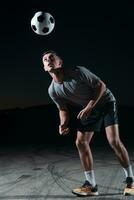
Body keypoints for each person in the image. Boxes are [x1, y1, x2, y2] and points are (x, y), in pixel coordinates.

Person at [42, 50, 134, 196]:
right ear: (45, 68)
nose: (48, 60)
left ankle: (131, 180)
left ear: (60, 63)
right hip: (89, 109)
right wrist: (63, 124)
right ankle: (91, 185)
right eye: (45, 59)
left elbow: (101, 86)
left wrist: (89, 107)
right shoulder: (52, 90)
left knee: (113, 141)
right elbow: (63, 109)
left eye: (52, 58)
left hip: (106, 102)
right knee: (80, 142)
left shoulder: (78, 71)